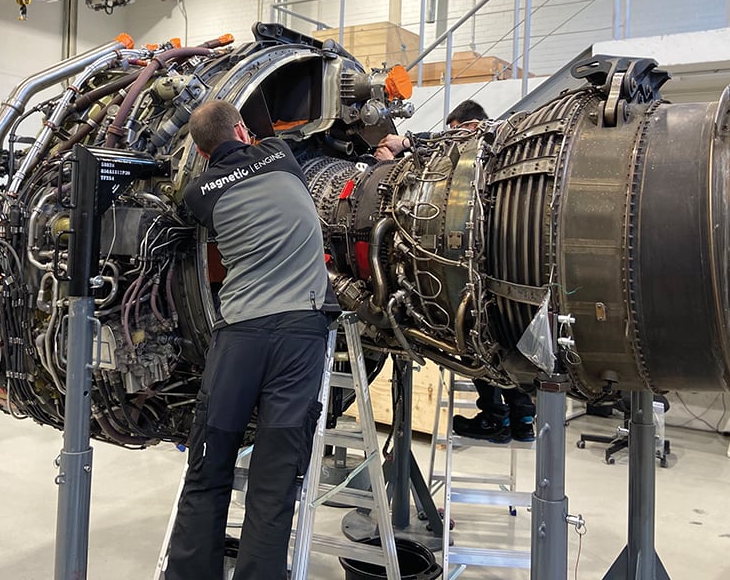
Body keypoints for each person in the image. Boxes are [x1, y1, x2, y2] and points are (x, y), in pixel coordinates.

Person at [166, 99, 338, 580]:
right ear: (243, 130)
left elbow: (184, 221)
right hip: (300, 335)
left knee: (208, 464)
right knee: (275, 479)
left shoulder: (199, 194)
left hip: (239, 336)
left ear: (201, 153)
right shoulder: (281, 154)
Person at [378, 100, 537, 443]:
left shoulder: (482, 142)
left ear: (464, 124)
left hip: (476, 265)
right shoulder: (505, 144)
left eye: (453, 130)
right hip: (498, 259)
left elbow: (447, 142)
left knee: (476, 332)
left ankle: (496, 417)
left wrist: (401, 148)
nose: (449, 139)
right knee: (499, 331)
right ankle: (522, 420)